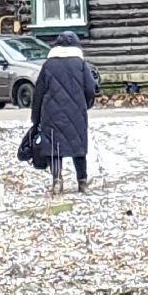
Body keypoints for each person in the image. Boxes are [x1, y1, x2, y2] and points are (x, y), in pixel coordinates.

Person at [29, 31, 97, 193]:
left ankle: (57, 181)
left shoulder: (48, 65)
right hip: (76, 113)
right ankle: (82, 182)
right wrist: (85, 105)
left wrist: (35, 117)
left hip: (51, 114)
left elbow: (38, 93)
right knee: (78, 147)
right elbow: (90, 89)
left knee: (54, 147)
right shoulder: (81, 65)